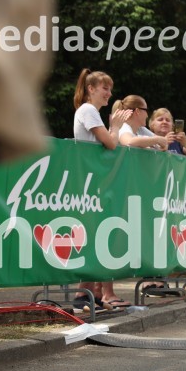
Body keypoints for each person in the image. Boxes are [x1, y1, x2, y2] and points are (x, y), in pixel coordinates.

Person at [72, 68, 132, 309]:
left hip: (95, 182)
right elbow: (111, 144)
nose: (109, 93)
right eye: (105, 88)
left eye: (110, 88)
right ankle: (81, 295)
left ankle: (90, 294)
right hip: (89, 183)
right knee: (92, 236)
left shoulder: (90, 112)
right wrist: (116, 126)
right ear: (91, 89)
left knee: (97, 237)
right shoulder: (87, 110)